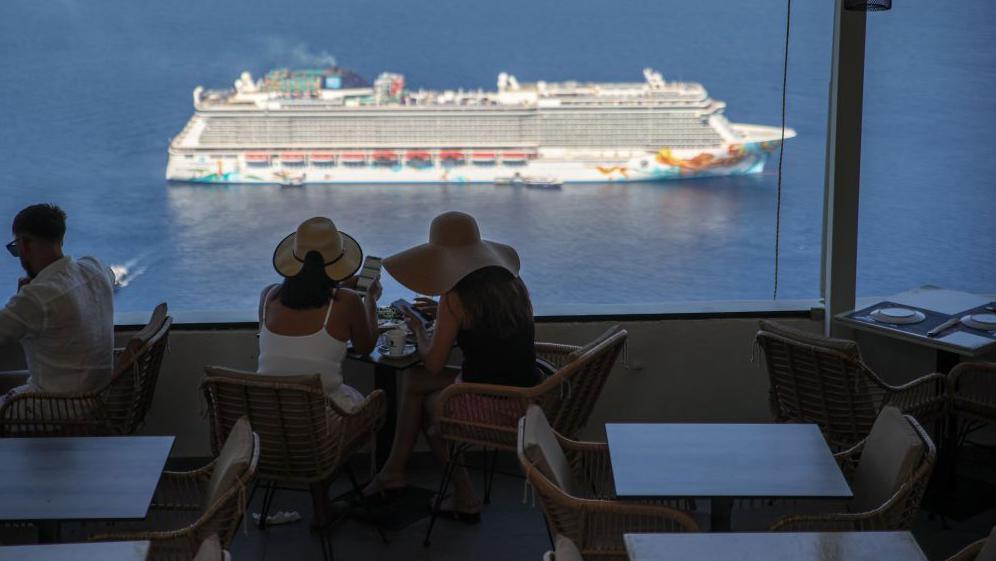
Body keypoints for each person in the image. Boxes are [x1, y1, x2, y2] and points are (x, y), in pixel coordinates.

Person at [365, 210, 539, 519]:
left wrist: (419, 328)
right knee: (414, 382)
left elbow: (433, 363)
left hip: (494, 400)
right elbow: (488, 328)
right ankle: (393, 470)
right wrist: (443, 312)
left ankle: (464, 496)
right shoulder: (512, 283)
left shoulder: (456, 298)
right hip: (528, 391)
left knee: (430, 402)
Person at [257, 217, 380, 412]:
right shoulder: (348, 301)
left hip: (271, 415)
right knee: (372, 405)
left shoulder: (268, 296)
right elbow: (365, 347)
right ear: (338, 262)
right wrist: (371, 299)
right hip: (320, 419)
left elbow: (306, 300)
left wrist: (340, 290)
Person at [0, 204, 115, 402]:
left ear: (25, 245)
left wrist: (28, 295)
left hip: (55, 408)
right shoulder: (95, 268)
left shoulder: (36, 297)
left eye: (16, 248)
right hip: (97, 399)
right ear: (61, 238)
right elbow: (109, 277)